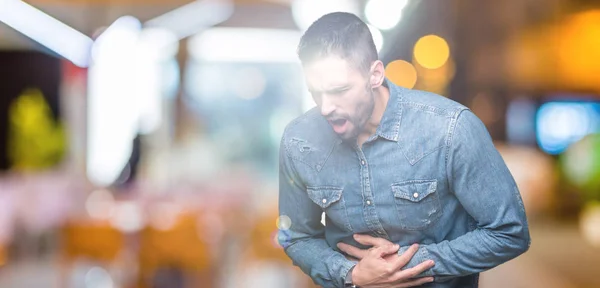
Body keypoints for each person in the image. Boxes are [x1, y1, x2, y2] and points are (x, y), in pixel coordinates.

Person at [277, 12, 530, 288]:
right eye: (316, 92)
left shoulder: (450, 129)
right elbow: (295, 236)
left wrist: (406, 266)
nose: (325, 107)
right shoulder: (298, 141)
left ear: (375, 75)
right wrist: (351, 274)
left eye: (339, 90)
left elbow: (509, 231)